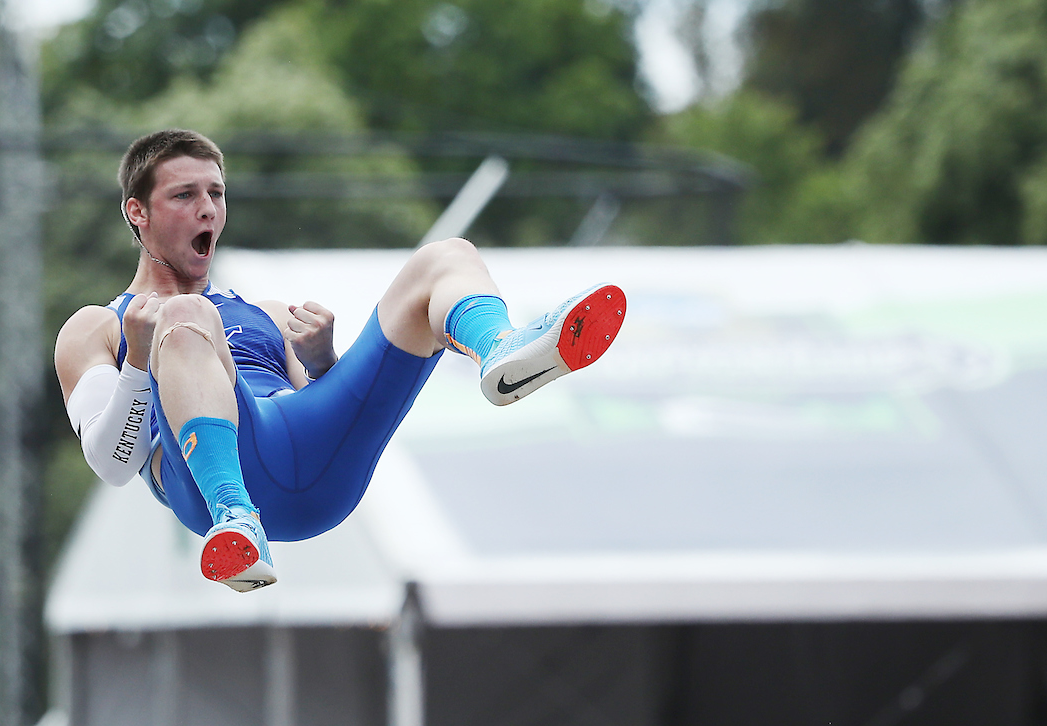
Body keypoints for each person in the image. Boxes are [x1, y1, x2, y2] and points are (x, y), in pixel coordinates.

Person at [54, 129, 625, 592]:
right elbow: (112, 465)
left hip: (316, 471)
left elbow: (325, 403)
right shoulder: (97, 326)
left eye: (217, 194)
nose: (208, 210)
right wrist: (134, 359)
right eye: (184, 196)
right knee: (183, 318)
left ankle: (499, 345)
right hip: (203, 488)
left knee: (445, 257)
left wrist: (322, 360)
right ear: (138, 213)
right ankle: (235, 521)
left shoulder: (269, 313)